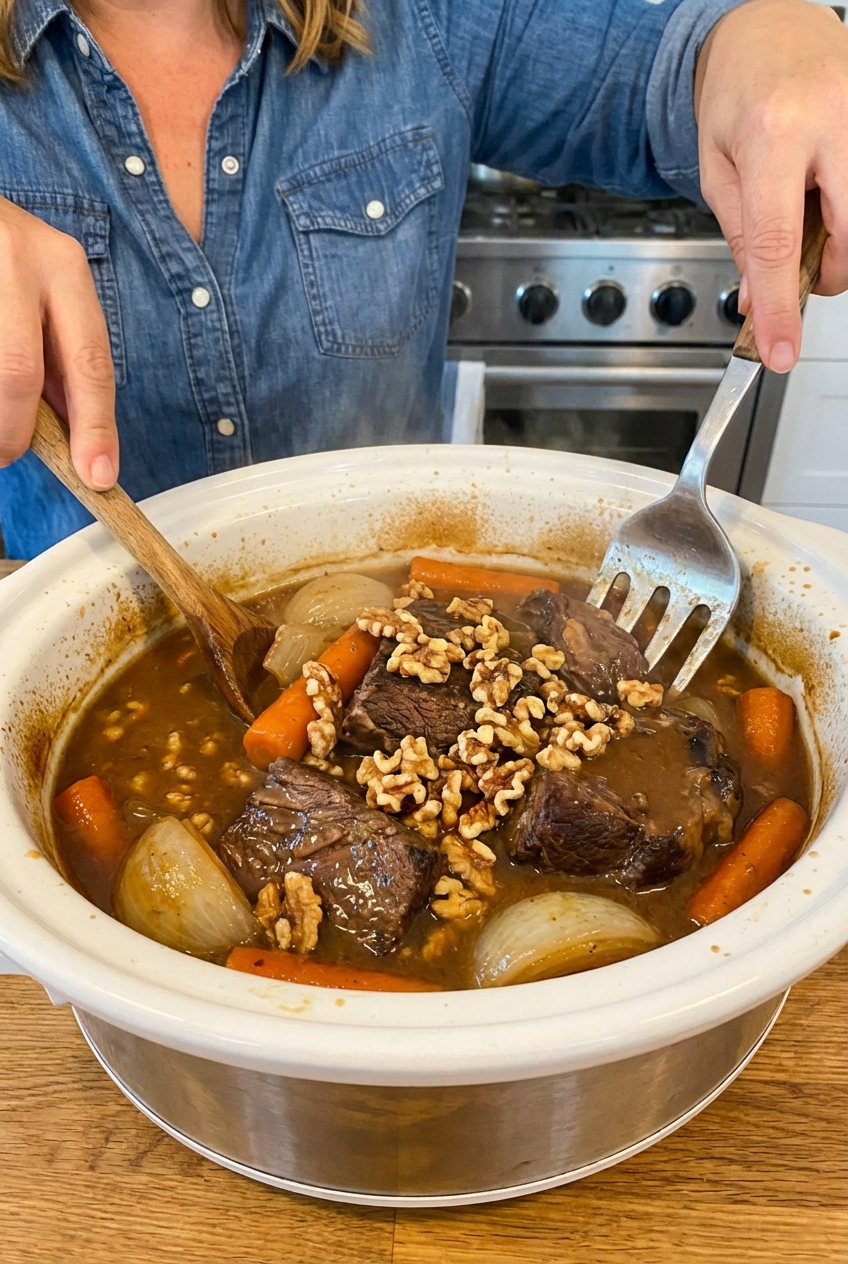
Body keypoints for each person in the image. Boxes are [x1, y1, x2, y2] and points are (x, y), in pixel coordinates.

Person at [0, 0, 847, 558]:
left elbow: (676, 64)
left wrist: (784, 43)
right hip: (45, 630)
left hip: (413, 608)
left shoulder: (430, 14)